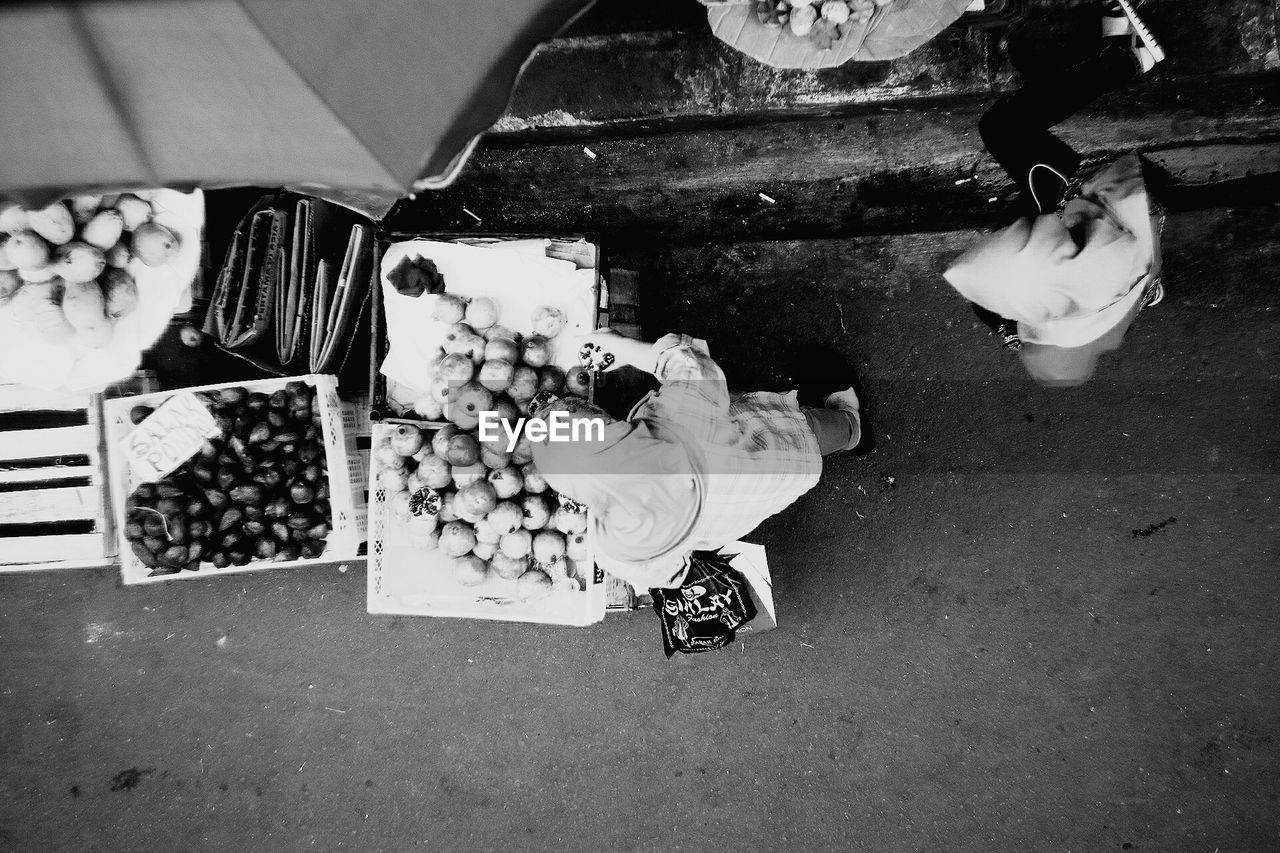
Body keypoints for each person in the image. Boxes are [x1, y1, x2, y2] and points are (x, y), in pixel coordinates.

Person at [527, 330, 872, 591]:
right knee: (807, 431)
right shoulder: (678, 418)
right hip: (778, 453)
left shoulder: (619, 542)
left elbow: (664, 575)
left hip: (736, 510)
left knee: (773, 474)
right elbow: (689, 361)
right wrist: (626, 348)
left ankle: (850, 432)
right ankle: (853, 427)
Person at [942, 0, 1167, 385]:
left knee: (1012, 135)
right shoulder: (1088, 287)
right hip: (1079, 205)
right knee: (1004, 126)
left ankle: (1116, 56)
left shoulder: (1100, 322)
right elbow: (975, 273)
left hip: (1071, 220)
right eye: (1032, 343)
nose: (1021, 341)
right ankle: (1127, 59)